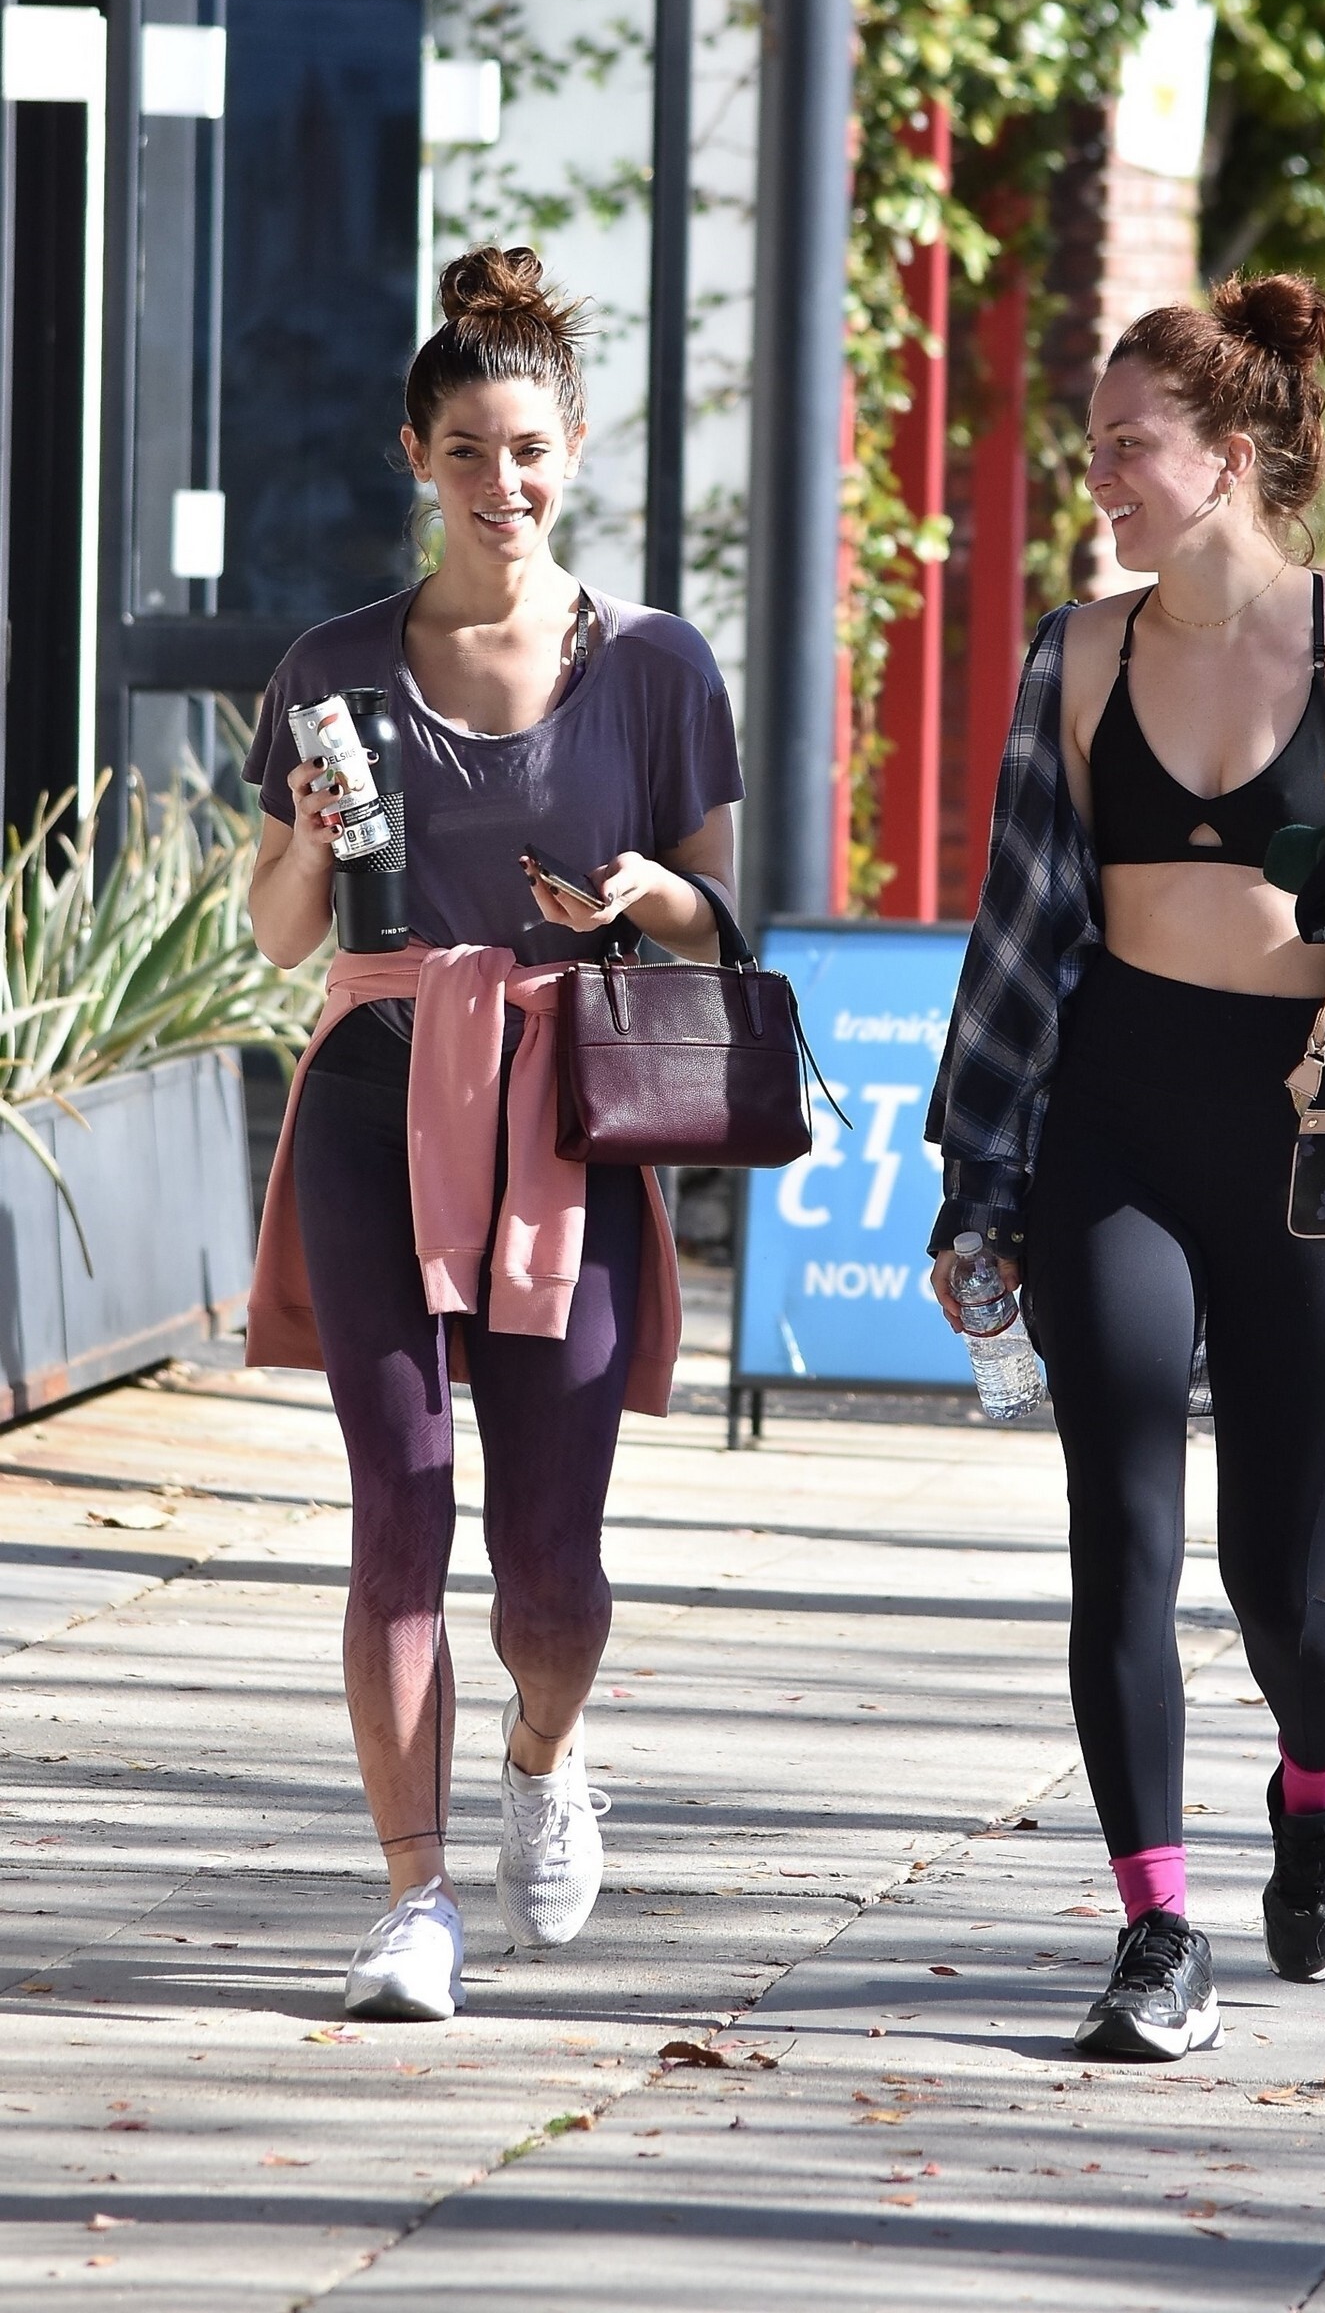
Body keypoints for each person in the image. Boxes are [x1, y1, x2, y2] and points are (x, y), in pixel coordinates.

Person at [927, 274, 1325, 2063]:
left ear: (1232, 456)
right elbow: (1020, 932)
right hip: (1117, 1122)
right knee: (1118, 1535)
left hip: (1305, 1151)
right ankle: (1153, 1929)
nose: (1100, 475)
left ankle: (1322, 1776)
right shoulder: (1078, 655)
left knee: (1290, 1591)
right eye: (1095, 445)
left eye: (1131, 445)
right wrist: (982, 1176)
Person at [242, 246, 743, 2020]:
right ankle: (414, 1900)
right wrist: (312, 836)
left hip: (565, 1116)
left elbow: (722, 923)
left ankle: (545, 1748)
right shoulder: (332, 667)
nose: (500, 483)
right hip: (377, 1096)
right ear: (416, 458)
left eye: (528, 450)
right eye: (466, 451)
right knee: (398, 1504)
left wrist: (642, 895)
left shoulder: (656, 665)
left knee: (549, 1565)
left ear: (575, 447)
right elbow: (281, 934)